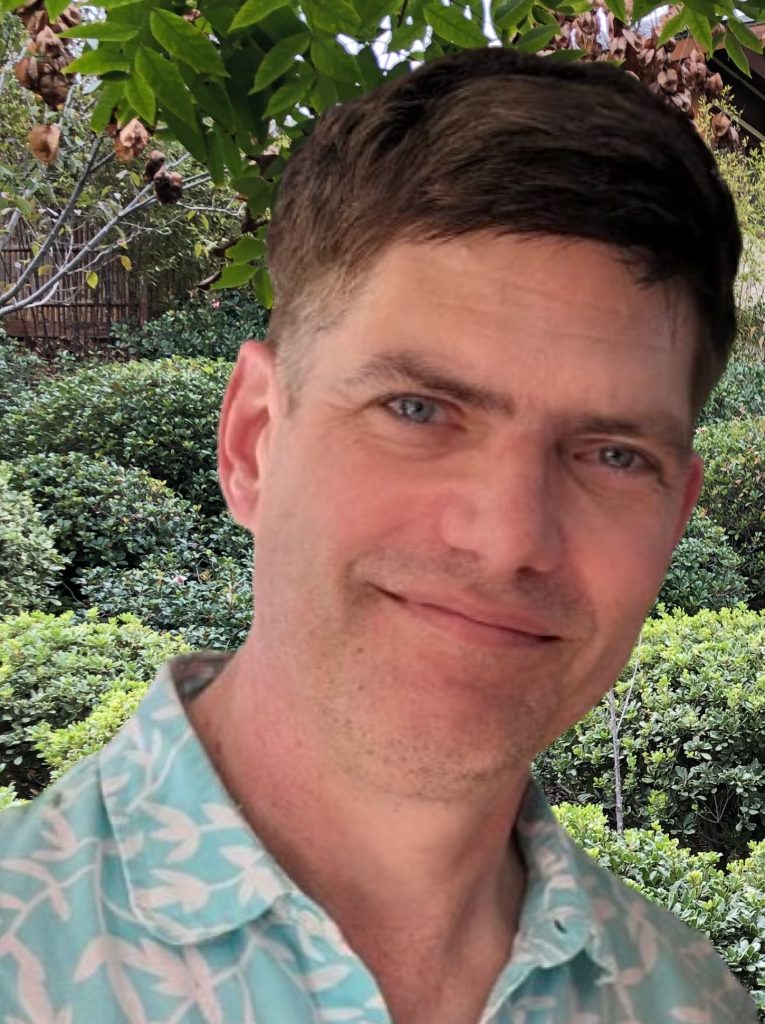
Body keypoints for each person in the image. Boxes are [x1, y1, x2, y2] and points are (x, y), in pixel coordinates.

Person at [0, 47, 757, 1024]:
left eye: (613, 455)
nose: (507, 539)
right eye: (418, 407)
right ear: (254, 443)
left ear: (674, 520)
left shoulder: (686, 1000)